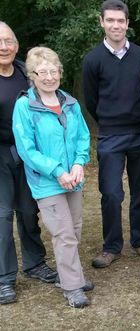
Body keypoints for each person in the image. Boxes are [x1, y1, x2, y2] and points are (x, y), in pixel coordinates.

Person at [12, 47, 92, 308]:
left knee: (75, 230)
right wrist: (57, 170)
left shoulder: (70, 101)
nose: (49, 76)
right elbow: (27, 149)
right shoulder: (25, 106)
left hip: (74, 179)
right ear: (32, 75)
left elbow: (83, 136)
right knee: (63, 233)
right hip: (47, 182)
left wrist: (80, 163)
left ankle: (72, 273)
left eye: (54, 70)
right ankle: (72, 286)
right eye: (42, 71)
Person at [82, 0, 140, 268]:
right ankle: (111, 246)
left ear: (127, 23)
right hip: (111, 135)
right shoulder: (93, 59)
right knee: (111, 192)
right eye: (110, 20)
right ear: (101, 22)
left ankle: (139, 240)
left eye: (121, 21)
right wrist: (109, 120)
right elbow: (90, 100)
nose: (116, 25)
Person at [0, 21, 58, 305]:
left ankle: (35, 263)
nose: (4, 47)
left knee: (27, 211)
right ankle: (4, 278)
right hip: (0, 155)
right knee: (1, 216)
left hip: (27, 153)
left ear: (17, 44)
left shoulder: (27, 72)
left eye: (8, 41)